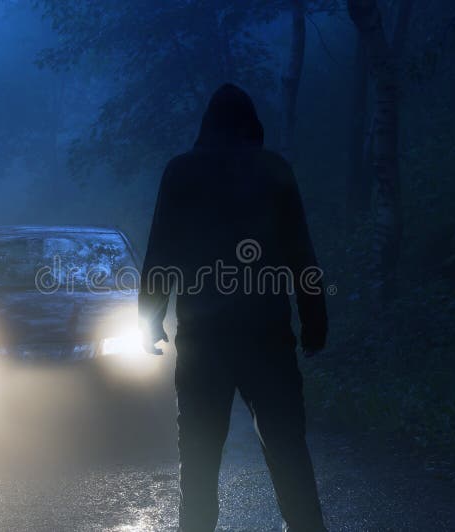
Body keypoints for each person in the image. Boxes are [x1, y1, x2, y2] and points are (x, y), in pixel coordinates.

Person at [138, 83, 329, 532]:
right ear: (252, 125)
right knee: (288, 452)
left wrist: (150, 317)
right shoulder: (275, 170)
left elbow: (161, 250)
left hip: (204, 340)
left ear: (207, 125)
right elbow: (301, 252)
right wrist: (314, 319)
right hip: (267, 336)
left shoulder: (181, 172)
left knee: (200, 463)